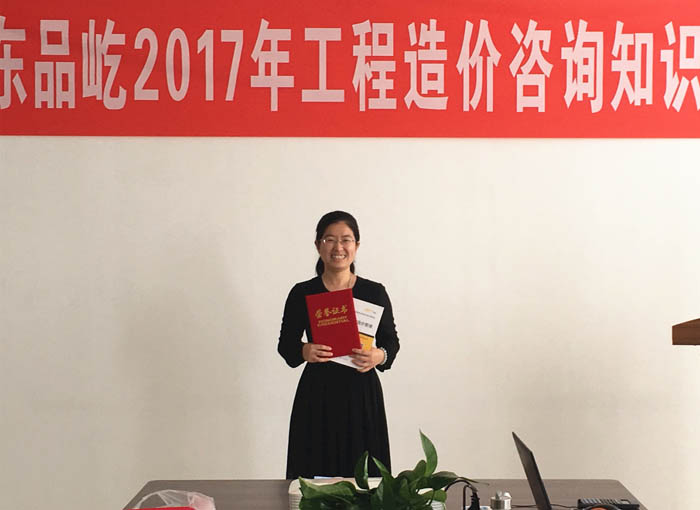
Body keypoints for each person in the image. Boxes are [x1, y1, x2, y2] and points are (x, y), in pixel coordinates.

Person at [278, 210, 400, 479]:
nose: (338, 247)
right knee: (313, 474)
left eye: (346, 240)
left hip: (362, 394)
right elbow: (285, 345)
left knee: (365, 478)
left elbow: (391, 343)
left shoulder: (374, 292)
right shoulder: (302, 292)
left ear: (357, 245)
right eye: (330, 239)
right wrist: (304, 350)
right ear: (318, 245)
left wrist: (378, 356)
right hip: (317, 394)